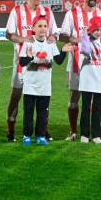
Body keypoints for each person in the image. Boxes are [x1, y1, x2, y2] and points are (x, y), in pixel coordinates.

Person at [4, 0, 59, 142]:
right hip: (22, 61)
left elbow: (55, 33)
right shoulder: (17, 11)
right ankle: (11, 130)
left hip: (42, 63)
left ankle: (43, 130)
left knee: (43, 96)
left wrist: (52, 37)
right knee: (16, 95)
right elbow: (9, 34)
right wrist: (22, 39)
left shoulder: (47, 12)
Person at [59, 0, 101, 141]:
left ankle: (96, 131)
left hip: (97, 65)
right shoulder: (72, 14)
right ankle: (73, 131)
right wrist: (76, 39)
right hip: (76, 62)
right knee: (75, 96)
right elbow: (62, 35)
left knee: (97, 99)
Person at [18, 17, 71, 147]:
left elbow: (58, 61)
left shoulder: (50, 44)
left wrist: (63, 52)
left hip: (45, 87)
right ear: (34, 28)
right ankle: (27, 136)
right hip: (30, 86)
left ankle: (41, 136)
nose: (43, 28)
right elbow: (22, 62)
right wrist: (29, 57)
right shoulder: (29, 43)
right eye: (40, 26)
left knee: (43, 113)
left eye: (45, 26)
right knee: (28, 113)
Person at [78, 17, 101, 144]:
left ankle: (96, 133)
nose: (99, 32)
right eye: (96, 30)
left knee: (97, 108)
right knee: (86, 108)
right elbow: (86, 51)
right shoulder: (84, 41)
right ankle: (84, 134)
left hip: (100, 81)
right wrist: (85, 34)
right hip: (87, 80)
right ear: (90, 29)